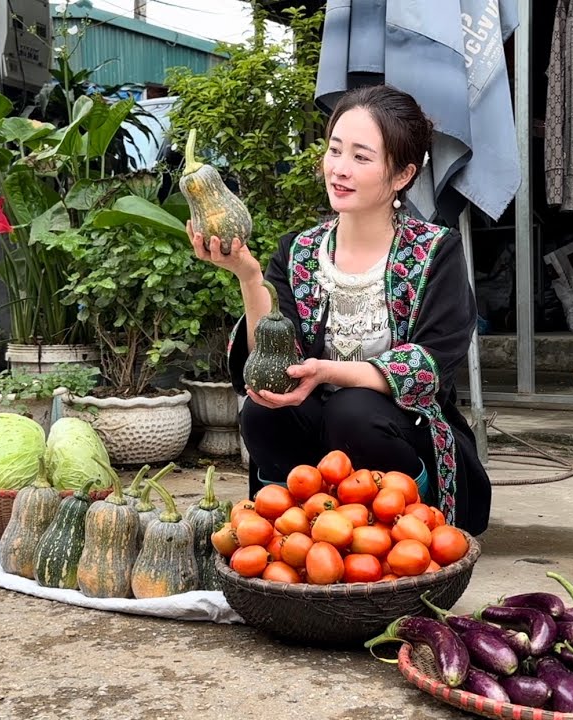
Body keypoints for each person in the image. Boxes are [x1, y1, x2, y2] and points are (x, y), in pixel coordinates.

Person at [187, 84, 492, 536]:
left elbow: (427, 368)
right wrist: (248, 277)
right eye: (334, 151)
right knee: (262, 410)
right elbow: (275, 361)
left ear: (402, 175)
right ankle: (292, 531)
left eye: (361, 157)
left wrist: (329, 372)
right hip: (317, 450)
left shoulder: (436, 252)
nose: (339, 170)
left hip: (401, 435)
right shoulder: (299, 251)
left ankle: (404, 526)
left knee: (352, 410)